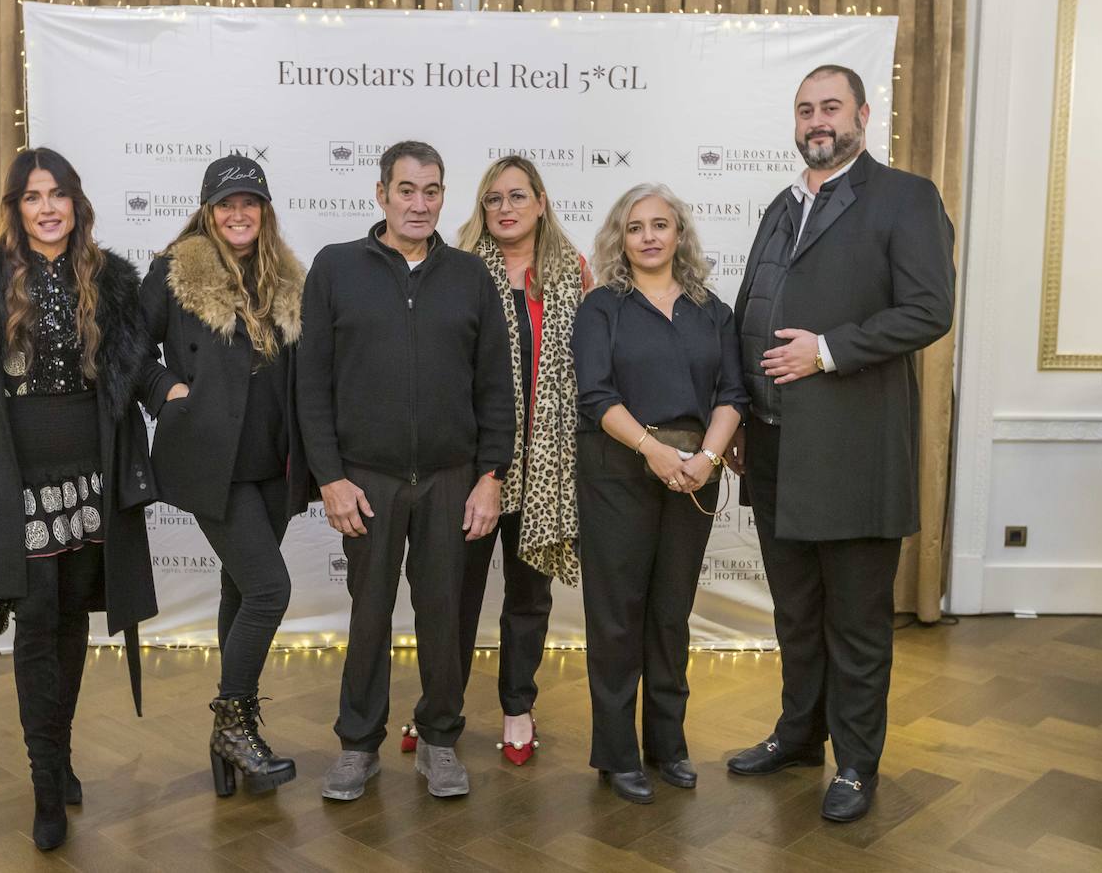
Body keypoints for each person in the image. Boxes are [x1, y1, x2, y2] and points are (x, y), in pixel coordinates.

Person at [0, 147, 157, 850]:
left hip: (88, 480)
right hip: (15, 484)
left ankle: (62, 751)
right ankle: (47, 783)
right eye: (32, 196)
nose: (47, 207)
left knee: (72, 617)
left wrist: (174, 391)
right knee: (38, 624)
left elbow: (129, 373)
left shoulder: (106, 280)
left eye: (58, 194)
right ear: (14, 208)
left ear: (77, 203)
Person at [726, 65, 955, 822]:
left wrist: (827, 350)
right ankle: (799, 736)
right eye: (804, 109)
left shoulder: (904, 197)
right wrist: (739, 421)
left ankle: (856, 764)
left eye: (831, 107)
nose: (817, 120)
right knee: (795, 615)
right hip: (775, 449)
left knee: (855, 624)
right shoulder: (781, 205)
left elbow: (929, 309)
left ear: (862, 112)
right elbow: (751, 310)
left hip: (855, 455)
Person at [298, 140, 515, 800]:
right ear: (380, 194)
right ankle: (358, 745)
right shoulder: (336, 269)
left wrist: (490, 475)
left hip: (453, 478)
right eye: (406, 190)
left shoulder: (473, 276)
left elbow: (496, 388)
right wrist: (330, 478)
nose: (419, 203)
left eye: (431, 191)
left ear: (444, 196)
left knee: (445, 614)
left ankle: (440, 738)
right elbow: (312, 386)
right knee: (369, 615)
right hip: (366, 479)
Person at [395, 155, 590, 765]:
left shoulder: (572, 272)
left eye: (517, 196)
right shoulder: (453, 272)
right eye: (493, 199)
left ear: (540, 202)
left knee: (528, 594)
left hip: (549, 463)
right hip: (473, 461)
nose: (505, 208)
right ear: (480, 208)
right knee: (452, 589)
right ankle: (437, 704)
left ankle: (517, 704)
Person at [571, 183, 747, 804]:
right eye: (635, 226)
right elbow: (594, 396)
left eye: (660, 225)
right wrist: (653, 449)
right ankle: (617, 755)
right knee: (618, 618)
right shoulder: (601, 308)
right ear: (621, 237)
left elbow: (732, 395)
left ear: (679, 235)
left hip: (695, 477)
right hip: (618, 473)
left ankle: (667, 746)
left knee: (670, 617)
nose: (648, 236)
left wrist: (705, 458)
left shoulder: (712, 310)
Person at [139, 155, 308, 798]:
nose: (239, 214)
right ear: (208, 212)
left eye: (250, 202)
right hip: (211, 461)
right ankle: (234, 726)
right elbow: (124, 345)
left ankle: (230, 742)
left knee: (242, 591)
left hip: (272, 464)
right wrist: (164, 389)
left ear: (264, 211)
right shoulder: (177, 271)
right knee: (269, 590)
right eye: (226, 204)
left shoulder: (288, 277)